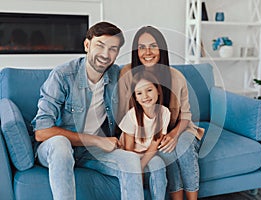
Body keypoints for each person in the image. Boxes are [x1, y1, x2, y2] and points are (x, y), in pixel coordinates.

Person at [31, 22, 144, 200]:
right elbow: (41, 131)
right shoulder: (62, 75)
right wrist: (97, 140)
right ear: (87, 45)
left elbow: (144, 82)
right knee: (61, 144)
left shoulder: (117, 75)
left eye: (113, 49)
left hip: (90, 151)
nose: (106, 54)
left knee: (130, 161)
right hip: (57, 149)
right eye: (100, 45)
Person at [118, 26, 205, 200]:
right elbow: (124, 113)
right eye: (142, 47)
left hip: (180, 129)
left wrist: (173, 134)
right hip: (151, 135)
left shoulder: (176, 77)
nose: (147, 52)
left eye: (153, 46)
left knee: (181, 146)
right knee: (166, 152)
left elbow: (186, 116)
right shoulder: (127, 74)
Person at [119, 71, 169, 200]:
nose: (145, 96)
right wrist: (136, 167)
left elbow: (155, 143)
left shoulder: (164, 112)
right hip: (131, 155)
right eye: (139, 93)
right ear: (135, 97)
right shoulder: (132, 115)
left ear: (158, 90)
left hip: (149, 153)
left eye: (149, 90)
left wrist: (141, 166)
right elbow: (128, 149)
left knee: (159, 165)